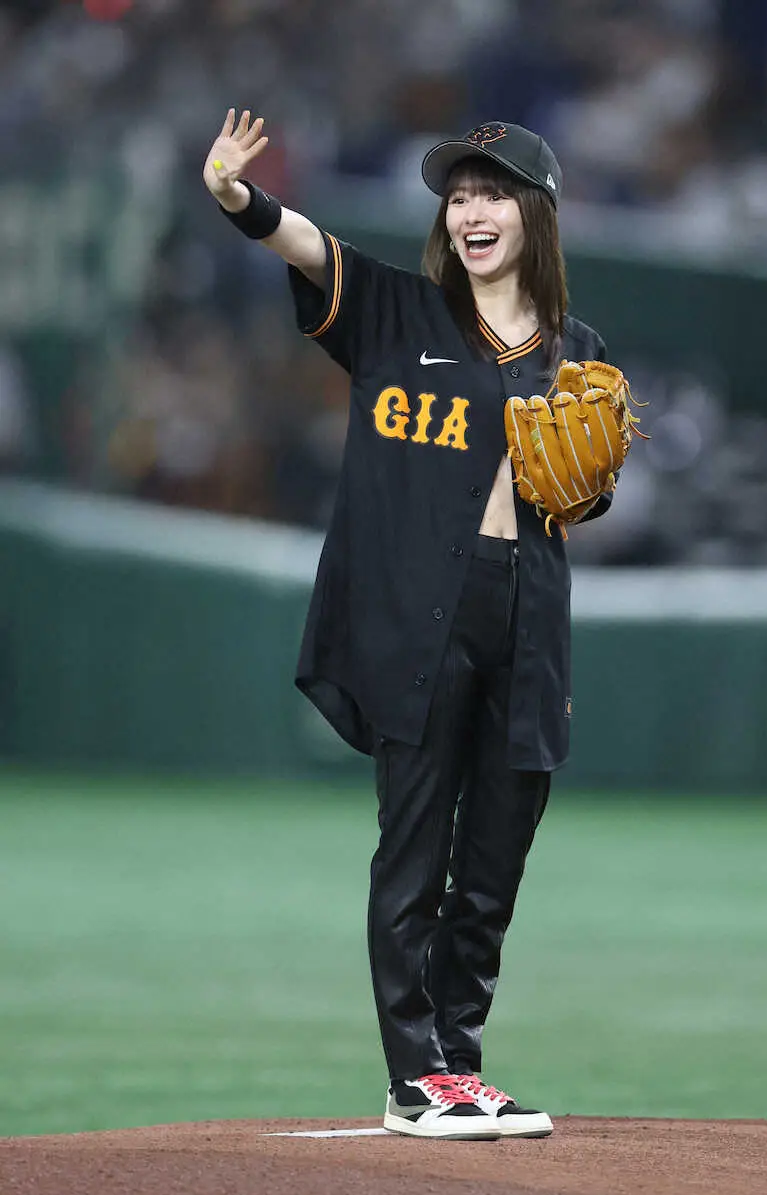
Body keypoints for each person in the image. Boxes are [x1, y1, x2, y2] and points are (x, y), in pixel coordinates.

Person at [203, 110, 616, 1140]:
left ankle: (458, 1065)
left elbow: (582, 502)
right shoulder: (396, 311)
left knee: (495, 859)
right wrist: (236, 196)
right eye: (458, 195)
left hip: (527, 614)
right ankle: (412, 1075)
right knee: (414, 850)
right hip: (420, 614)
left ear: (534, 213)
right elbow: (306, 245)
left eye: (492, 193)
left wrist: (593, 485)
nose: (470, 210)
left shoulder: (577, 352)